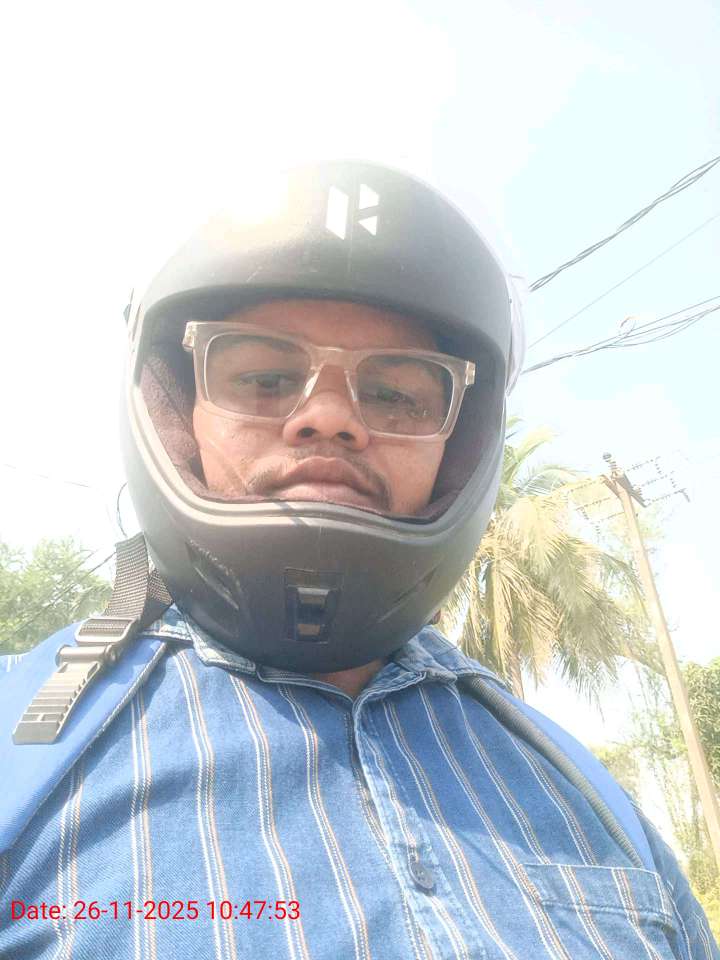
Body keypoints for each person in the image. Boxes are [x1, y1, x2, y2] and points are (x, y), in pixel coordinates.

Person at [1, 160, 717, 960]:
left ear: (460, 448)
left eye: (395, 394)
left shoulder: (588, 799)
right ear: (175, 413)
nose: (329, 417)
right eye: (265, 377)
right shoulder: (20, 742)